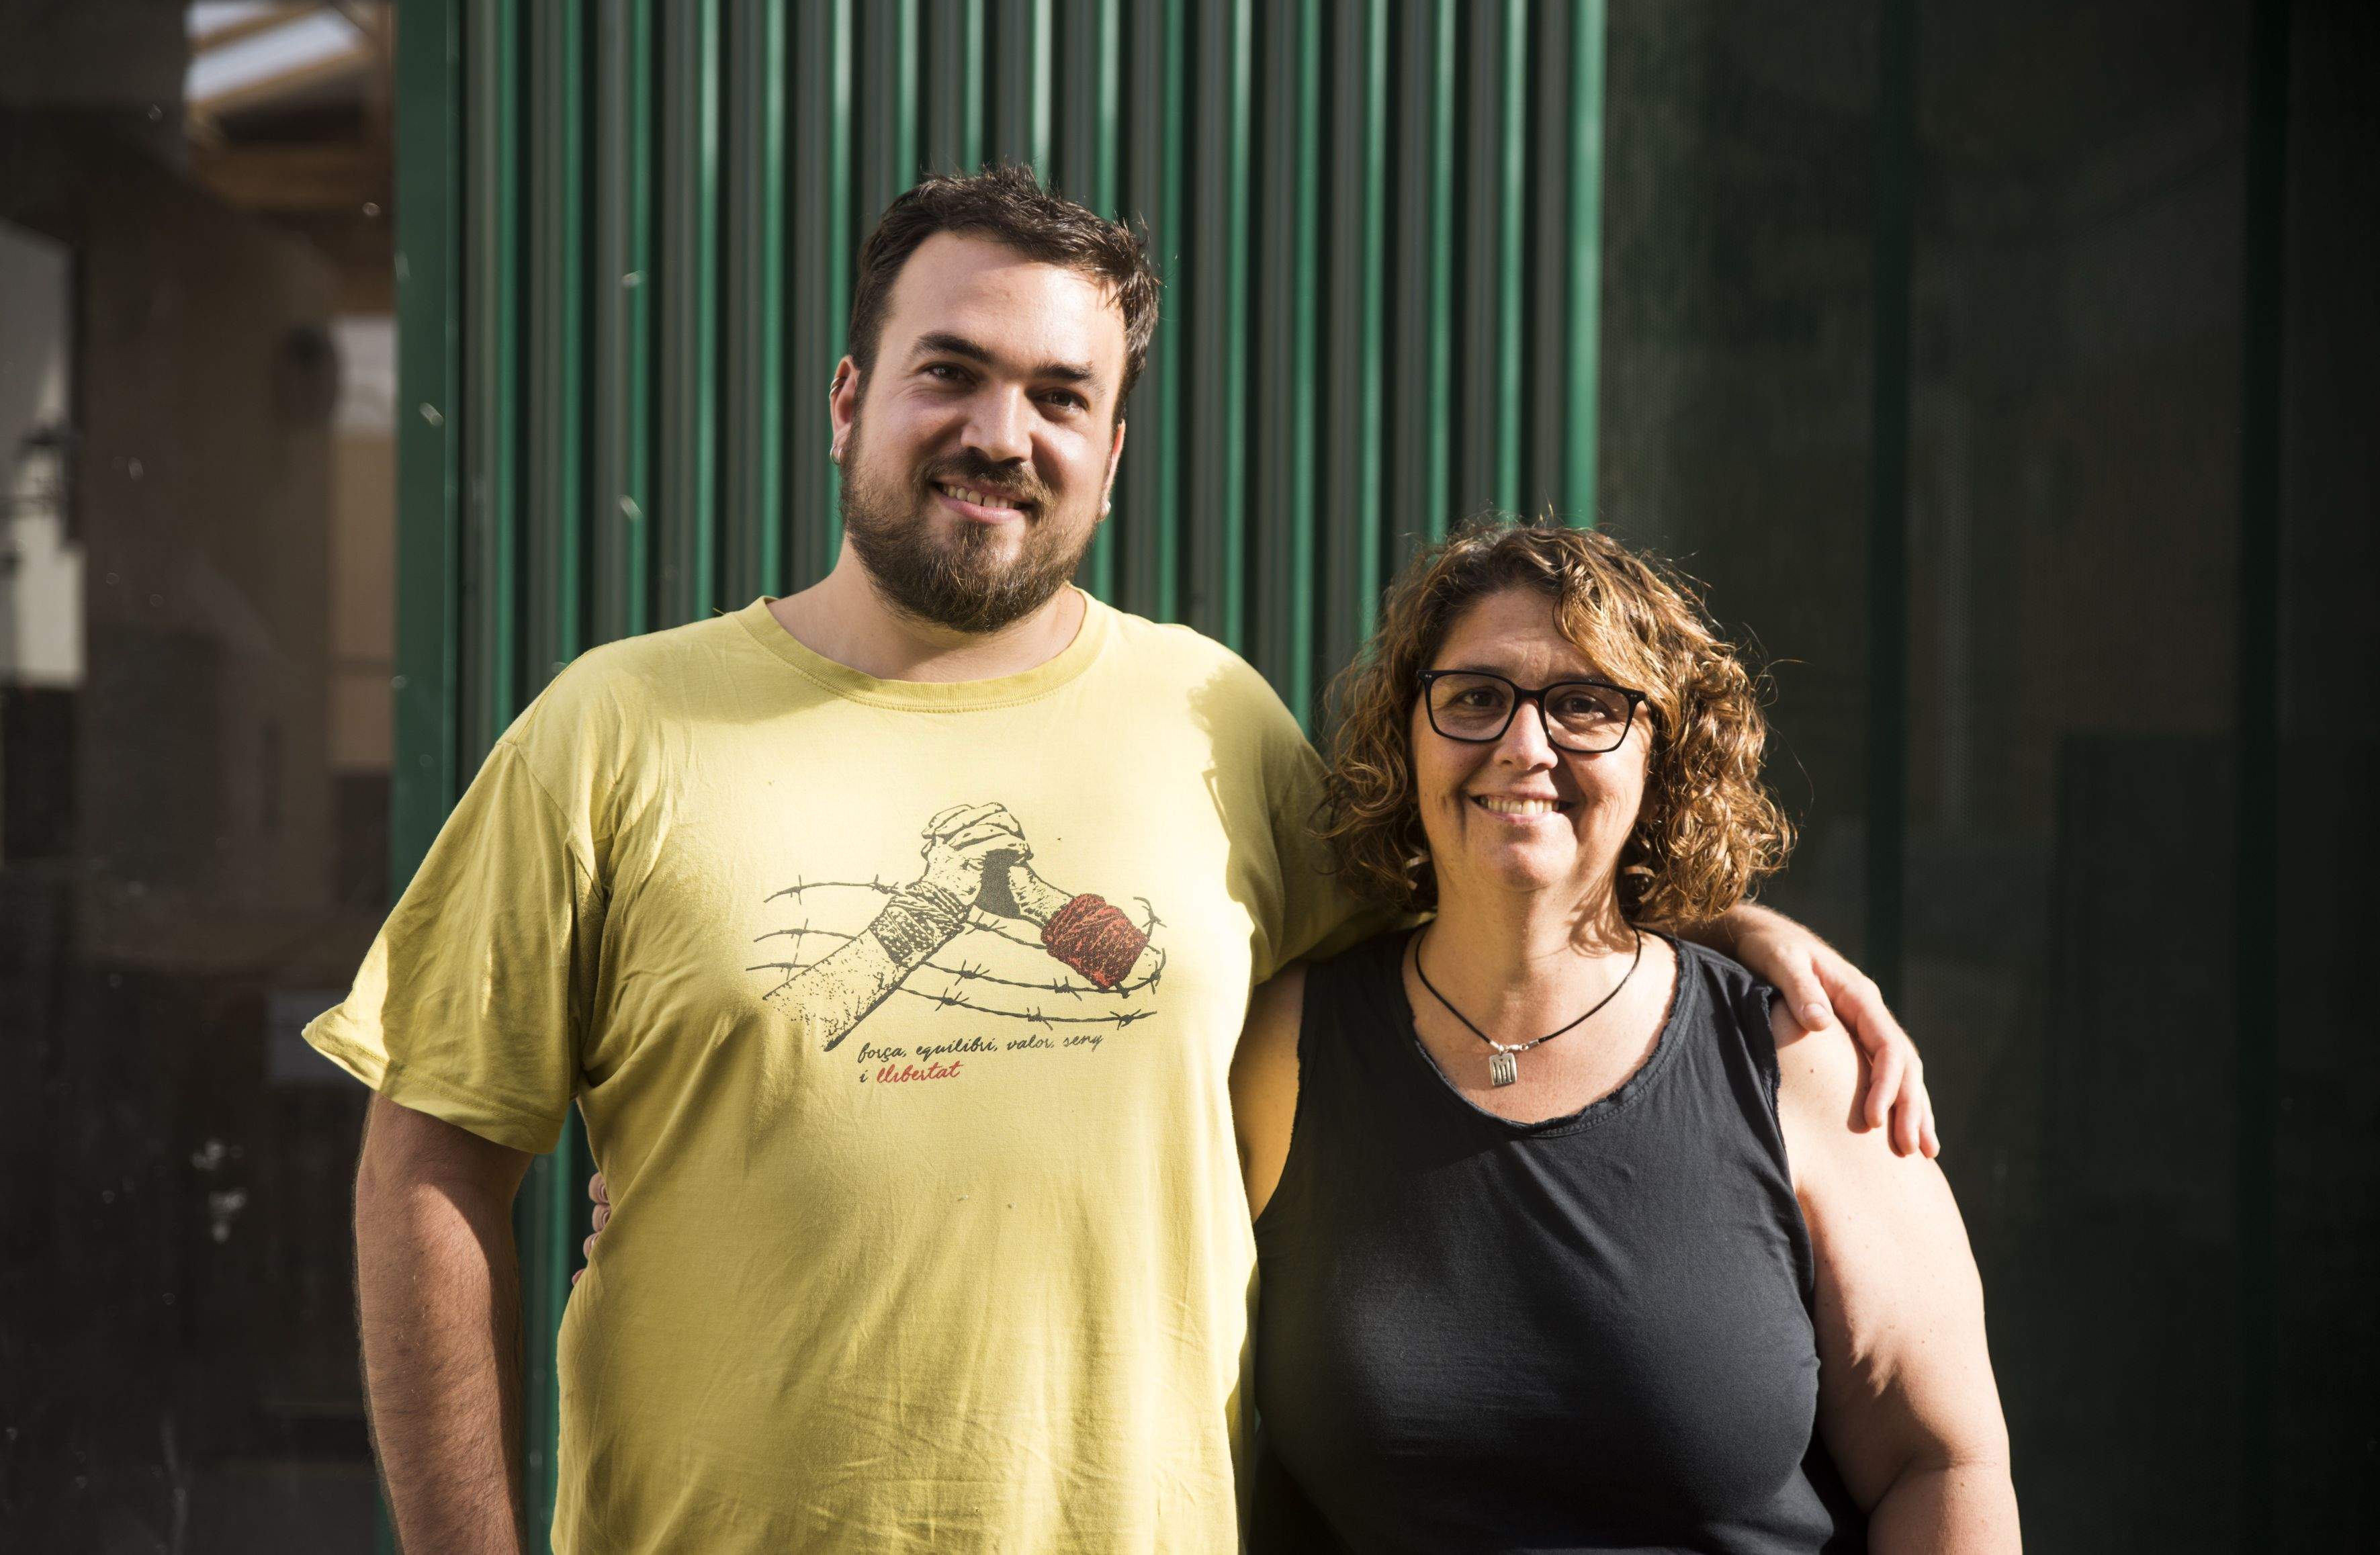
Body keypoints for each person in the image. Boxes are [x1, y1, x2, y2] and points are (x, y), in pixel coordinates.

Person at [312, 167, 1933, 1554]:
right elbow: (430, 1159)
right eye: (948, 371)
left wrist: (1709, 911)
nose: (997, 433)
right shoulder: (616, 730)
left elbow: (1476, 885)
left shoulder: (1204, 717)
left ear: (1109, 442)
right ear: (845, 400)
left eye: (1057, 396)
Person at [1234, 521, 2016, 1553]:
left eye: (1586, 705)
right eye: (1475, 696)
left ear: (1665, 752)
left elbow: (1941, 1460)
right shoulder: (1290, 1051)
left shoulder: (1798, 1062)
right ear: (1405, 733)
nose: (1524, 745)